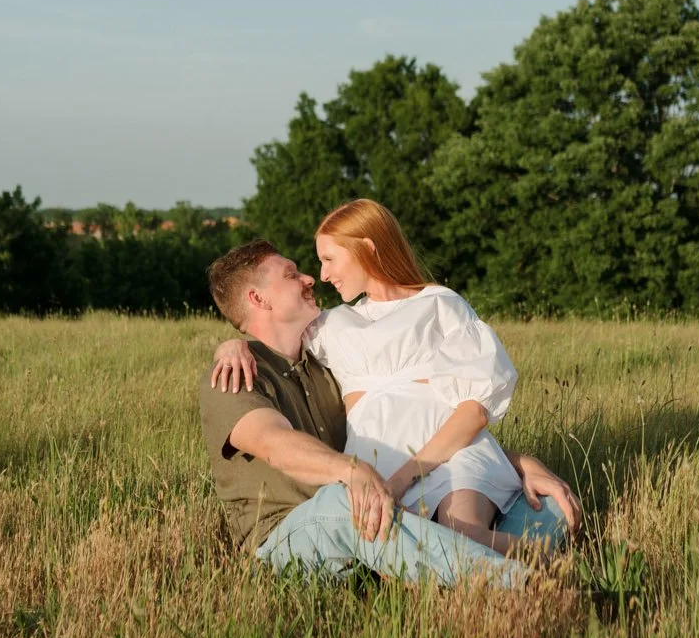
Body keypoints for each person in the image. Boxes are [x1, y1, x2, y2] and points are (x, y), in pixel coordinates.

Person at [200, 237, 580, 586]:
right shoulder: (235, 375)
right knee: (342, 501)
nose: (310, 278)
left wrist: (514, 462)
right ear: (259, 298)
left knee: (546, 504)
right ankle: (523, 586)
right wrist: (355, 472)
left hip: (368, 519)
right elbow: (274, 444)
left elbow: (402, 429)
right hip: (289, 537)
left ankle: (481, 562)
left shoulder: (327, 369)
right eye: (291, 274)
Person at [210, 199, 525, 550]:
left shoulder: (440, 305)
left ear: (366, 249)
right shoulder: (331, 325)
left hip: (449, 456)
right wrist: (232, 346)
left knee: (463, 537)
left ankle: (553, 567)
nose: (321, 275)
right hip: (379, 466)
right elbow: (267, 333)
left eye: (329, 259)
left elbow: (475, 408)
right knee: (406, 558)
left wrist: (407, 478)